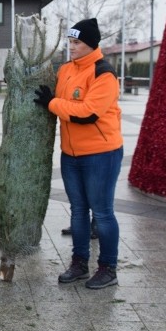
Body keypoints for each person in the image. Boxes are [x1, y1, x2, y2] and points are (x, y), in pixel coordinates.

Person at [34, 17, 123, 289]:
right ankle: (79, 263)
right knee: (78, 211)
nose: (71, 47)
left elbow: (88, 113)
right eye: (70, 42)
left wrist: (53, 103)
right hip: (70, 154)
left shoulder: (103, 74)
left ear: (91, 44)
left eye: (77, 43)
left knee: (103, 212)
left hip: (101, 154)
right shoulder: (66, 70)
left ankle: (108, 267)